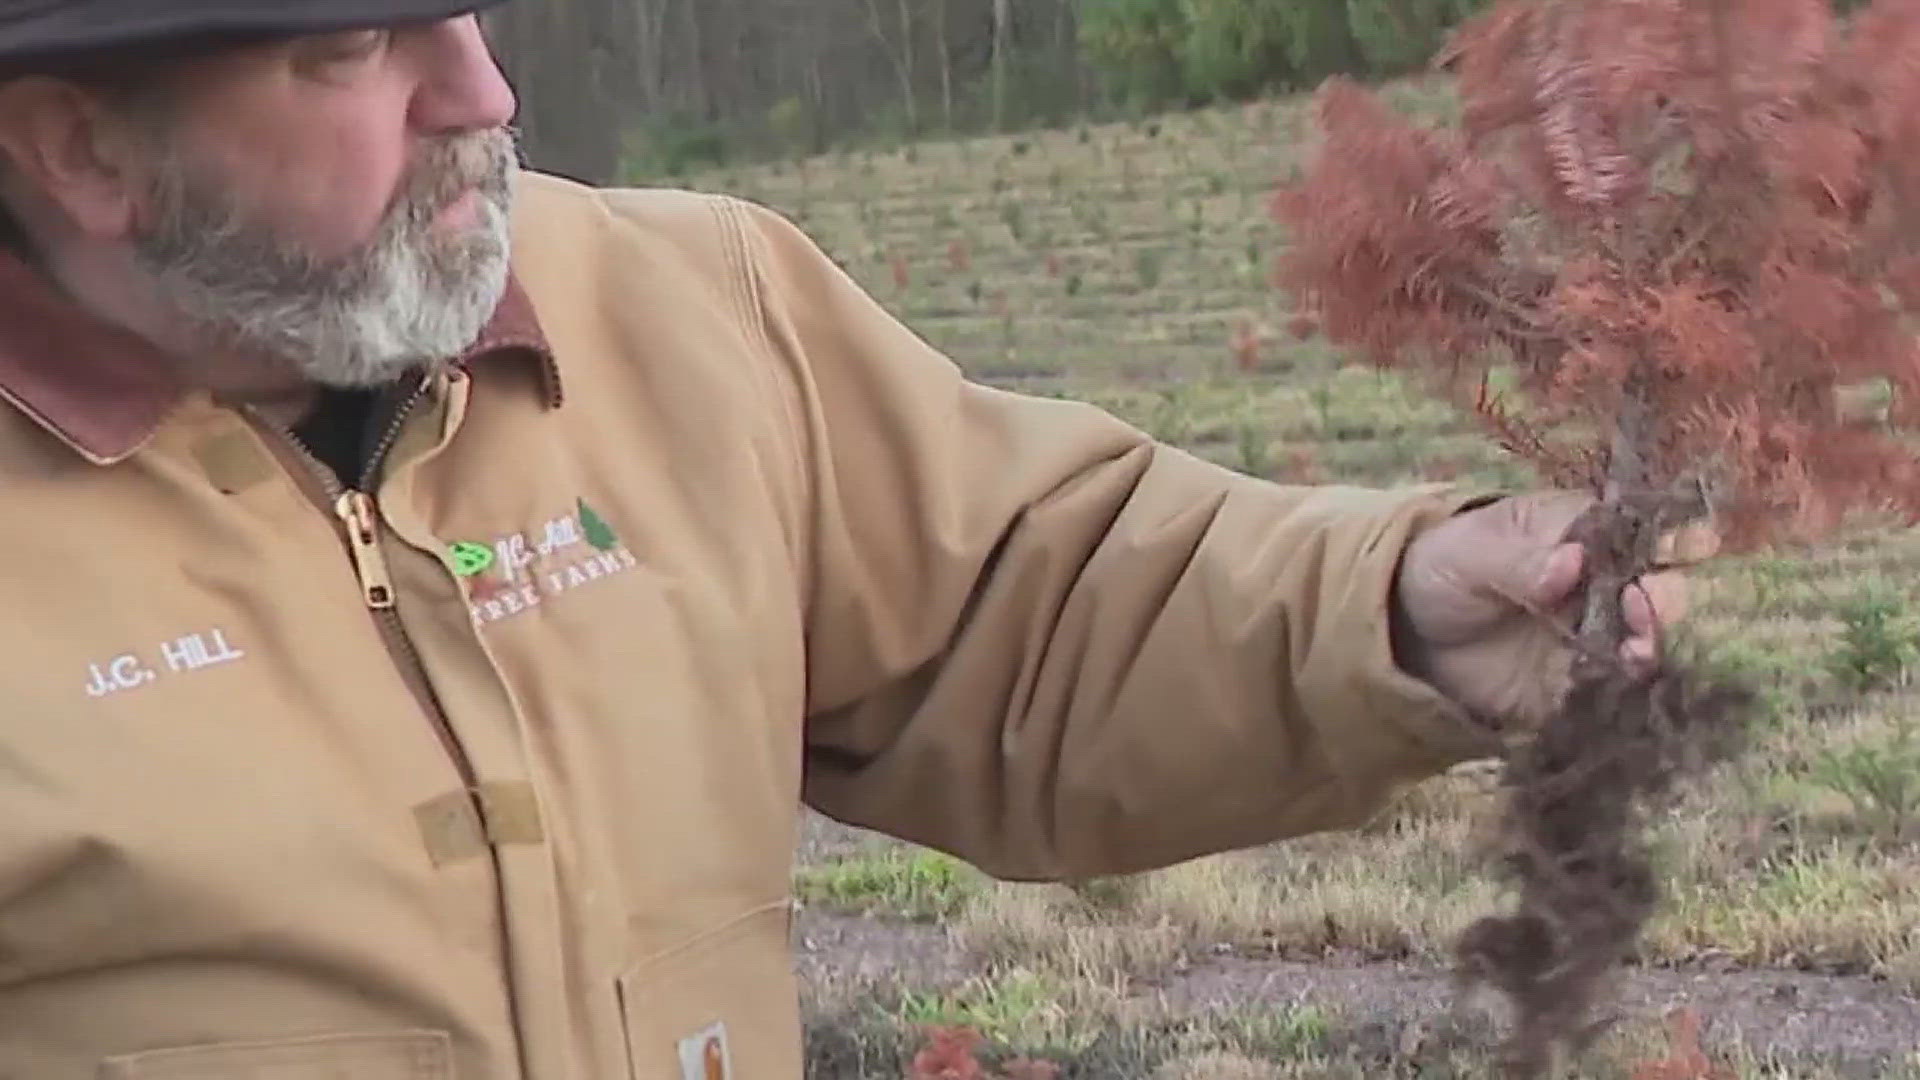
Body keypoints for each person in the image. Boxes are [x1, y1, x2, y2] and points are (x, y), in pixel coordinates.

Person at [0, 2, 1696, 1078]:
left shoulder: (687, 309)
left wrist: (1397, 611)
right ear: (78, 148)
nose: (482, 89)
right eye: (354, 48)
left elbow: (1026, 613)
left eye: (466, 10)